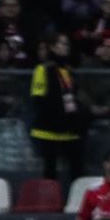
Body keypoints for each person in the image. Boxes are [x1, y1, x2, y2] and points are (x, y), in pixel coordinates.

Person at [29, 32, 85, 186]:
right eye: (61, 44)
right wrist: (55, 118)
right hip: (48, 129)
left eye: (67, 44)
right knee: (50, 169)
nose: (65, 47)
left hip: (69, 128)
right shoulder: (42, 69)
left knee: (77, 168)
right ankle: (49, 202)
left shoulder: (70, 71)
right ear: (52, 47)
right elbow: (38, 98)